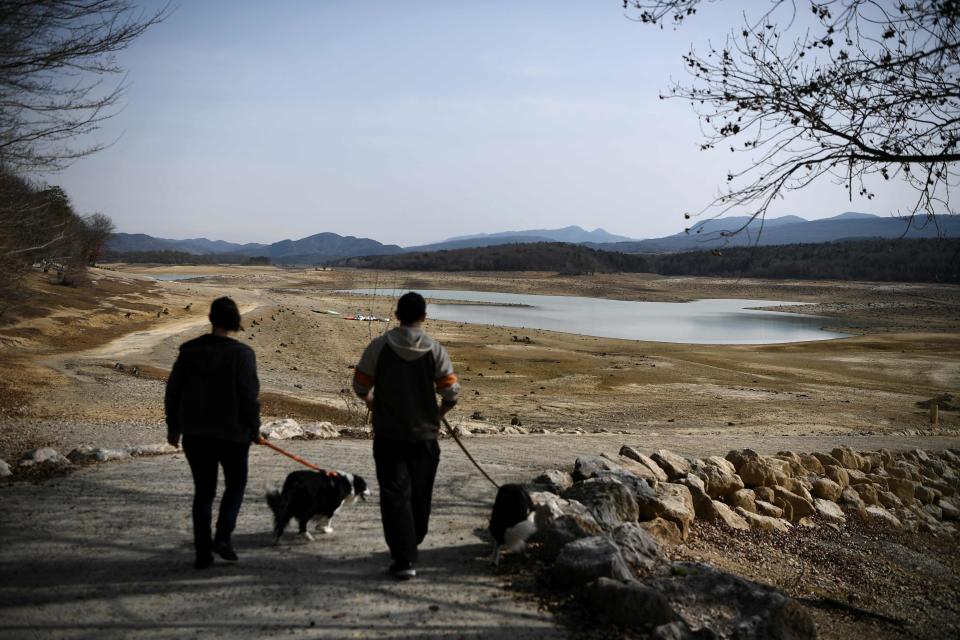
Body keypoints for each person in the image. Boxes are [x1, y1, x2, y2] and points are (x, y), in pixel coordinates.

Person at [353, 292, 460, 580]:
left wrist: (371, 401)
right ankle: (412, 543)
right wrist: (437, 415)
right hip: (425, 437)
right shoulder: (435, 349)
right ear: (424, 317)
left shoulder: (379, 346)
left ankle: (403, 557)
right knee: (420, 493)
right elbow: (451, 392)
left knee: (394, 495)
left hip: (388, 435)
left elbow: (360, 385)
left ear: (398, 315)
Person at [165, 297, 261, 569]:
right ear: (236, 323)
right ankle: (223, 537)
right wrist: (255, 428)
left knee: (204, 492)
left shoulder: (188, 352)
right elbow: (249, 397)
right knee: (236, 485)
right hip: (234, 434)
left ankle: (202, 552)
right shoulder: (243, 354)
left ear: (210, 319)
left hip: (196, 433)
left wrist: (173, 427)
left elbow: (173, 392)